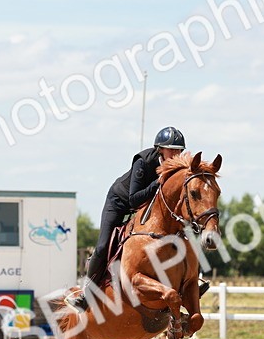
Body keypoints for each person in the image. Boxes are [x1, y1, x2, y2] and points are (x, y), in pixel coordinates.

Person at [66, 126, 187, 310]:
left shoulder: (178, 168)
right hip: (120, 203)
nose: (176, 154)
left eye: (179, 150)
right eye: (172, 150)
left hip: (144, 209)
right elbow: (134, 198)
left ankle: (189, 282)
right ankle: (86, 295)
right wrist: (158, 182)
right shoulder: (144, 161)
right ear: (160, 149)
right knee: (102, 246)